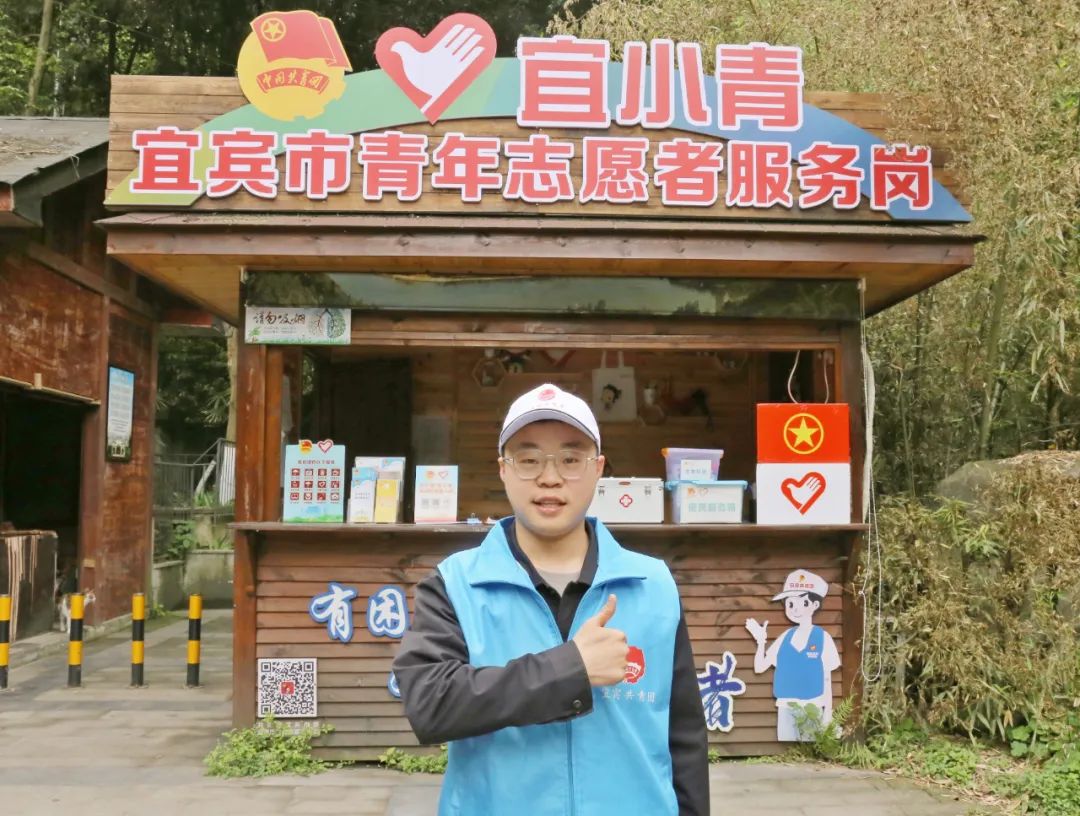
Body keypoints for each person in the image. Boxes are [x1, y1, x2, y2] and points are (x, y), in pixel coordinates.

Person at [393, 383, 709, 815]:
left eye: (571, 459)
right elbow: (429, 705)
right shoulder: (456, 583)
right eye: (528, 459)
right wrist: (571, 669)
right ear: (503, 470)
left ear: (598, 469)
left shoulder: (652, 583)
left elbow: (684, 737)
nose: (550, 477)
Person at [744, 570, 841, 741]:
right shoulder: (785, 637)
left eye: (803, 603)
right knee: (787, 746)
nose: (796, 609)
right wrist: (761, 641)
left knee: (810, 748)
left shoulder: (822, 637)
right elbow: (760, 667)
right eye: (790, 603)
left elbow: (827, 679)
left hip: (813, 705)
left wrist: (828, 714)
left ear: (815, 605)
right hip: (785, 706)